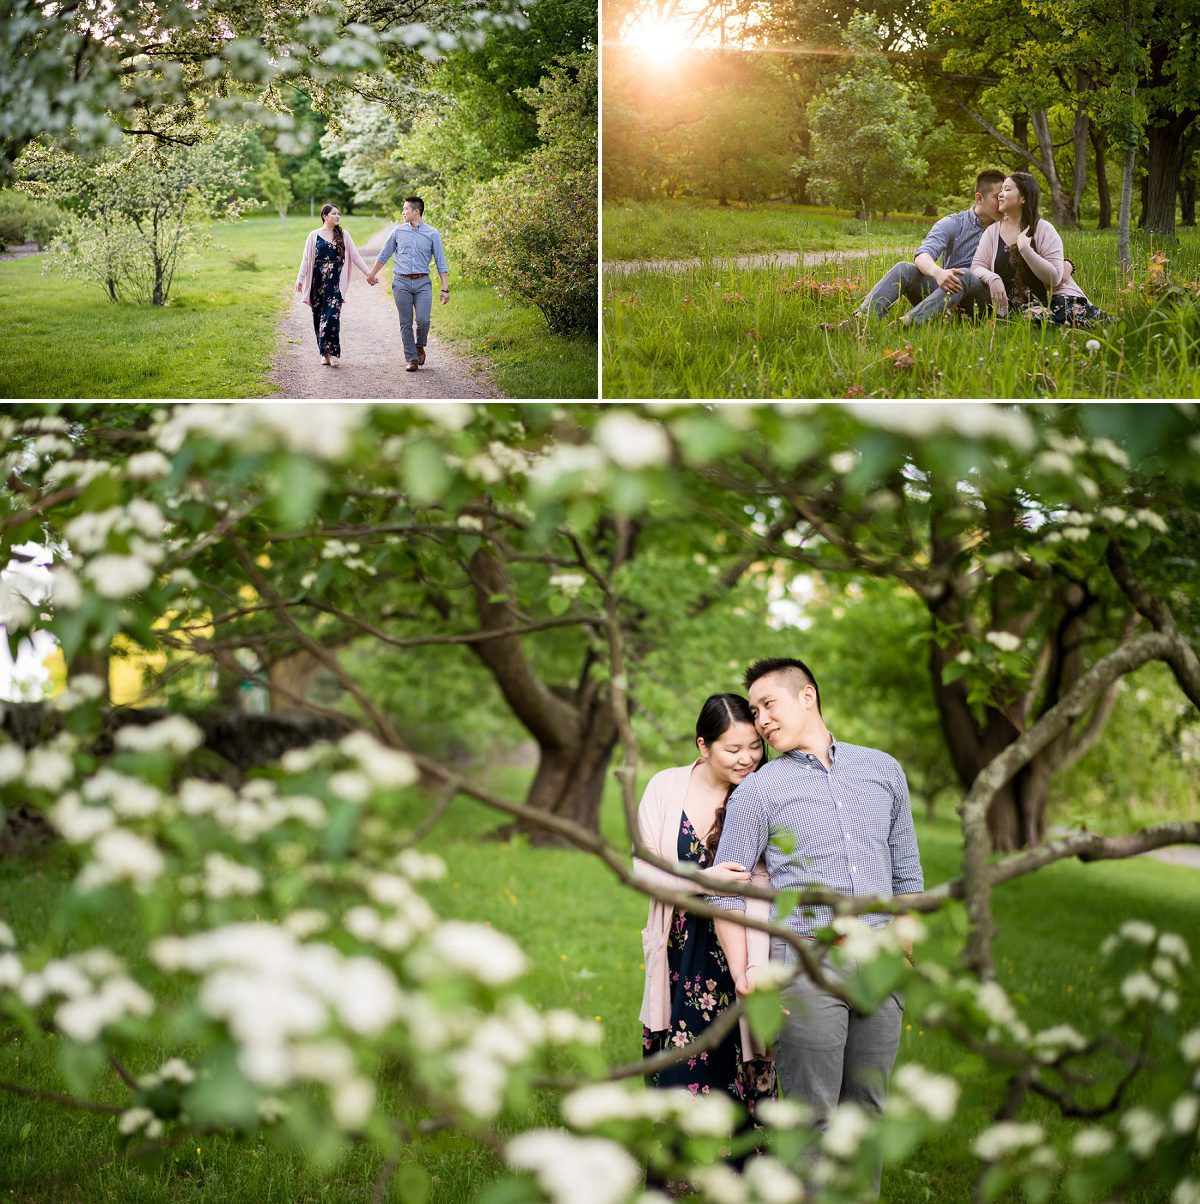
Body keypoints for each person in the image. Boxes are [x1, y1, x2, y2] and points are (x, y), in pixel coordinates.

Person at [708, 657, 924, 1197]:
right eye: (754, 712)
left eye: (767, 706)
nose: (760, 721)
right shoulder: (759, 790)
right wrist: (746, 973)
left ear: (807, 696)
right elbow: (726, 888)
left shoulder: (882, 770)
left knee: (868, 1114)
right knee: (812, 1119)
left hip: (880, 966)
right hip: (806, 968)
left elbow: (907, 872)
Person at [634, 694, 777, 1119]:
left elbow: (767, 886)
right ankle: (675, 1169)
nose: (747, 759)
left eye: (755, 747)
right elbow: (642, 870)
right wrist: (702, 881)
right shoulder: (665, 786)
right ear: (703, 745)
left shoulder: (761, 794)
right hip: (679, 947)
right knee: (680, 1059)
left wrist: (755, 968)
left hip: (738, 946)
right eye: (733, 749)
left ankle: (742, 1166)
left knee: (740, 1053)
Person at [821, 170, 1004, 331]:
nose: (1002, 202)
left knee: (964, 273)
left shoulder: (1007, 227)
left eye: (1004, 196)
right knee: (904, 268)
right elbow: (923, 254)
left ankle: (906, 324)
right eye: (997, 197)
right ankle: (860, 321)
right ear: (979, 198)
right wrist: (937, 272)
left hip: (981, 301)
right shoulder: (954, 223)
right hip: (946, 295)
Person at [948, 172, 1066, 321]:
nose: (1000, 195)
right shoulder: (993, 231)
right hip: (997, 308)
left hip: (1037, 308)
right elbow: (976, 266)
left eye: (1007, 189)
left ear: (1023, 197)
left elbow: (1054, 278)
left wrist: (1026, 250)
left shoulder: (1043, 229)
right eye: (1001, 190)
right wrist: (993, 278)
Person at [365, 196, 450, 373]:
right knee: (405, 322)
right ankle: (411, 359)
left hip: (422, 283)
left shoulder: (432, 234)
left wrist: (445, 289)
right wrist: (372, 274)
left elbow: (441, 263)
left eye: (405, 209)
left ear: (416, 211)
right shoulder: (397, 232)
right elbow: (384, 255)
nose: (403, 212)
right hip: (401, 282)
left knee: (423, 320)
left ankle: (420, 346)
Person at [294, 204, 376, 367]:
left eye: (339, 213)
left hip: (335, 284)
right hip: (317, 282)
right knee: (318, 318)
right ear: (325, 216)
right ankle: (324, 354)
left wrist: (369, 273)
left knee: (331, 318)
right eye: (334, 214)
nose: (338, 216)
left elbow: (355, 255)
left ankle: (333, 352)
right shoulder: (313, 236)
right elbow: (306, 259)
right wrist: (300, 279)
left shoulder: (344, 235)